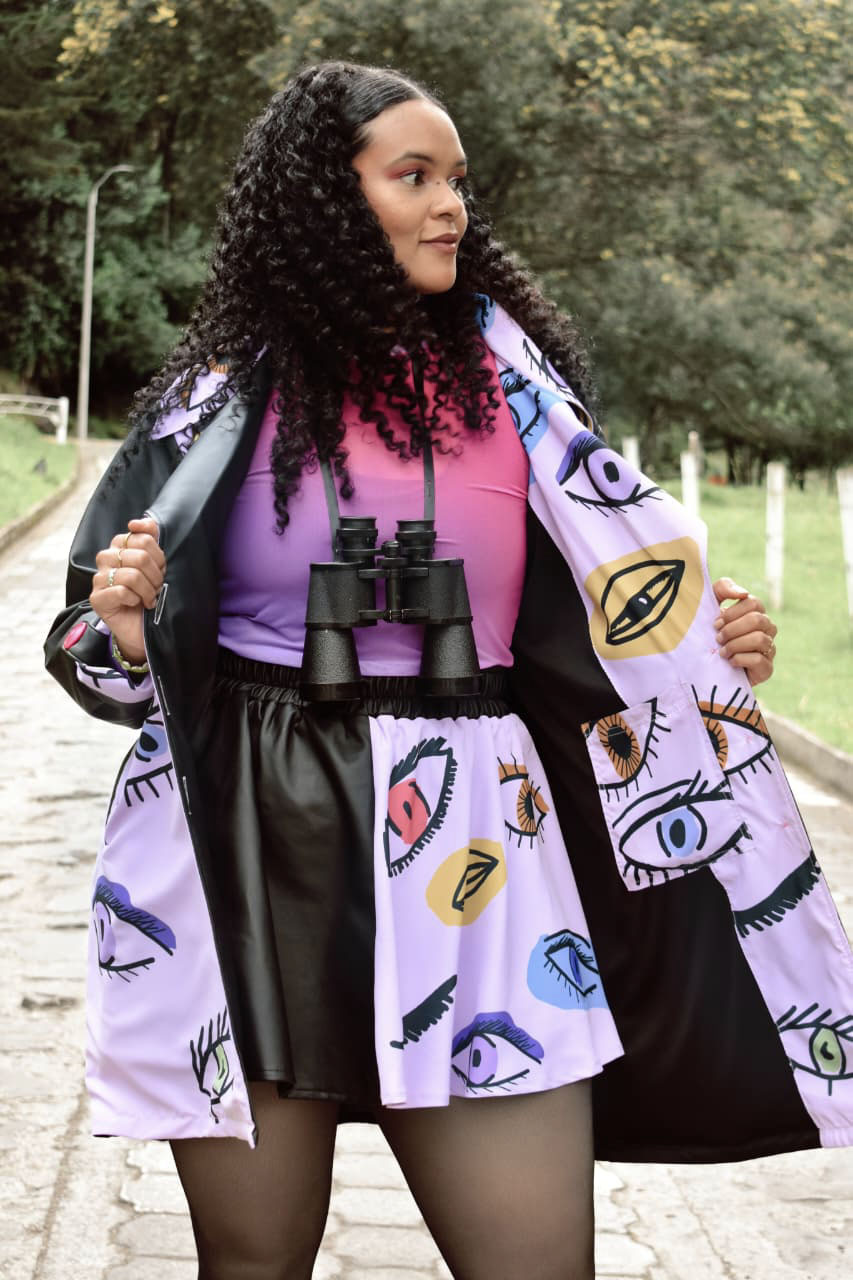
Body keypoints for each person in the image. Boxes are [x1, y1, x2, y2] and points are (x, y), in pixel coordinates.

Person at [45, 63, 853, 1280]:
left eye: (457, 181)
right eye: (412, 176)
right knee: (253, 1259)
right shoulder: (214, 403)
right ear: (328, 199)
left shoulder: (520, 393)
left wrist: (714, 645)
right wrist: (120, 632)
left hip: (480, 841)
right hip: (248, 845)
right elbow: (85, 645)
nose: (450, 207)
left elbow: (619, 597)